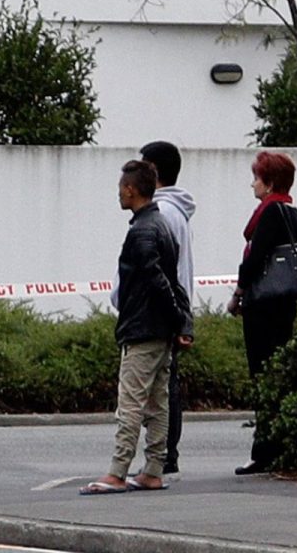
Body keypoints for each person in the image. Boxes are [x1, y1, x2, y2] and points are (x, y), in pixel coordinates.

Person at [81, 159, 192, 495]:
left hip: (142, 330)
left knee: (130, 403)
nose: (118, 194)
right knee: (158, 403)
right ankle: (153, 470)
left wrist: (174, 317)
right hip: (161, 334)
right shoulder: (163, 226)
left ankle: (117, 471)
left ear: (131, 189)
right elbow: (176, 283)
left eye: (121, 188)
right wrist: (182, 323)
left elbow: (157, 282)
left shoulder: (142, 230)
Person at [230, 149, 297, 475]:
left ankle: (263, 450)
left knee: (262, 376)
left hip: (263, 306)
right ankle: (282, 445)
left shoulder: (270, 213)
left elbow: (255, 258)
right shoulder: (295, 214)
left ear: (269, 181)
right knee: (279, 375)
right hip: (285, 304)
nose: (252, 185)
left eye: (256, 178)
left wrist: (238, 293)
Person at [139, 140, 195, 478]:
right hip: (174, 306)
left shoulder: (162, 214)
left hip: (161, 310)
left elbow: (159, 269)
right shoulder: (177, 212)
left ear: (154, 172)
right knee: (164, 383)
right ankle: (164, 453)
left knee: (159, 386)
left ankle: (163, 454)